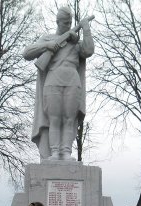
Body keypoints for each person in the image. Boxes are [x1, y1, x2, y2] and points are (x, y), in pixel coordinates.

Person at [23, 6, 94, 161]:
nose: (67, 26)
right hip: (53, 80)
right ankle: (55, 152)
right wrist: (47, 46)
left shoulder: (75, 42)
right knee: (54, 119)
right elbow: (27, 53)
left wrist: (86, 27)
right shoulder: (48, 38)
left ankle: (66, 152)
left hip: (72, 81)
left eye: (69, 23)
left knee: (69, 119)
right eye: (64, 23)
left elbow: (88, 50)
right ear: (57, 22)